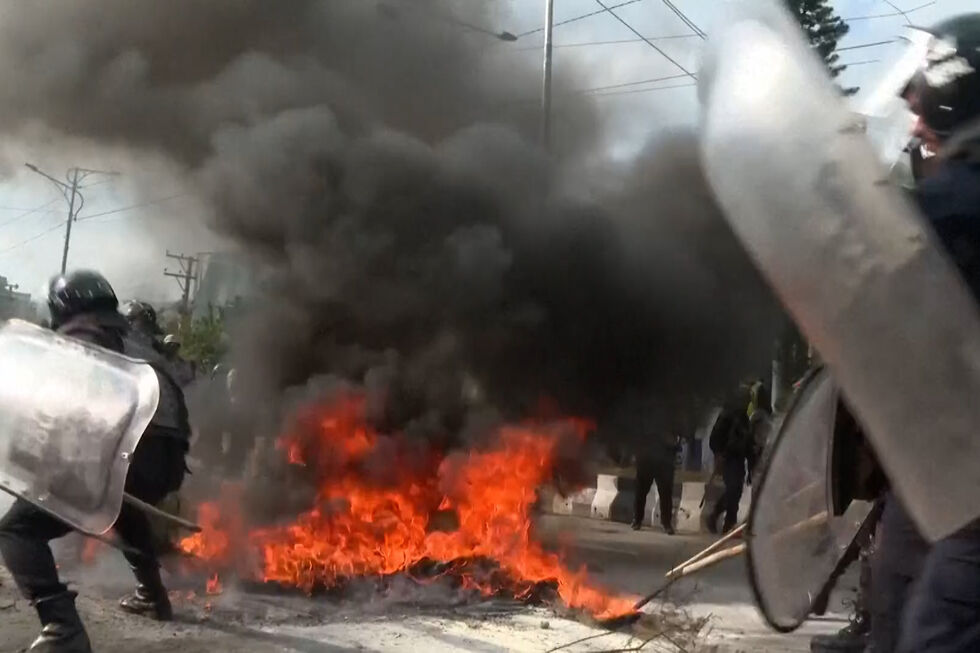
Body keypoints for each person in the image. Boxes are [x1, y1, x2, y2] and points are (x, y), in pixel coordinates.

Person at [861, 14, 980, 653]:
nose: (912, 130)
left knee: (936, 628)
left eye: (923, 116)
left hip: (969, 488)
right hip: (942, 467)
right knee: (898, 589)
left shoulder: (954, 207)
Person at [0, 271, 190, 652]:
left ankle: (61, 628)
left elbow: (56, 412)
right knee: (122, 508)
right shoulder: (140, 342)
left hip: (122, 453)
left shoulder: (79, 341)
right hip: (165, 467)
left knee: (16, 530)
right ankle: (152, 595)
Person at [707, 391, 753, 534]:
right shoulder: (727, 416)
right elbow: (714, 439)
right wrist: (719, 454)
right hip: (728, 459)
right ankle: (721, 518)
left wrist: (751, 463)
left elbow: (747, 443)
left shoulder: (744, 418)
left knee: (735, 492)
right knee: (733, 490)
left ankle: (727, 523)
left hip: (738, 459)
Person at [631, 433, 680, 535]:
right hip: (646, 458)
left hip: (664, 460)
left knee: (666, 493)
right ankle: (637, 520)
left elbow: (676, 435)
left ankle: (666, 523)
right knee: (641, 491)